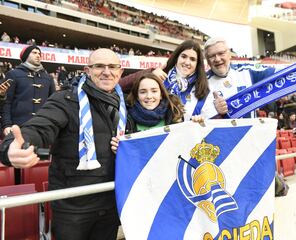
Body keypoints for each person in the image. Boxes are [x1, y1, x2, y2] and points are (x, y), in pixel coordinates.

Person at [0, 48, 126, 240]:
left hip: (109, 205)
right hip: (73, 208)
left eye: (112, 66)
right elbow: (40, 127)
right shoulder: (65, 100)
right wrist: (12, 147)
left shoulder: (125, 104)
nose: (106, 71)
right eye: (99, 66)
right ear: (87, 70)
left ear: (120, 72)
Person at [202, 37, 296, 118]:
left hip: (247, 143)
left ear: (229, 54)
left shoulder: (247, 72)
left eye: (221, 53)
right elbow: (194, 119)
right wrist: (215, 110)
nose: (217, 59)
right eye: (211, 56)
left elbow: (285, 72)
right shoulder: (201, 84)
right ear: (207, 60)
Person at [120, 40, 209, 120]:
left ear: (198, 64)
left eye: (192, 59)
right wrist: (150, 72)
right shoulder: (160, 76)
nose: (187, 62)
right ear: (177, 57)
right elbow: (120, 85)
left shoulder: (201, 88)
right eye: (184, 56)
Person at [2, 45, 56, 136]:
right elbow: (7, 102)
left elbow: (53, 104)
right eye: (34, 53)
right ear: (26, 55)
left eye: (39, 53)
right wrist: (6, 124)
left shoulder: (48, 78)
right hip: (18, 127)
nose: (38, 55)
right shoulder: (13, 74)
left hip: (42, 127)